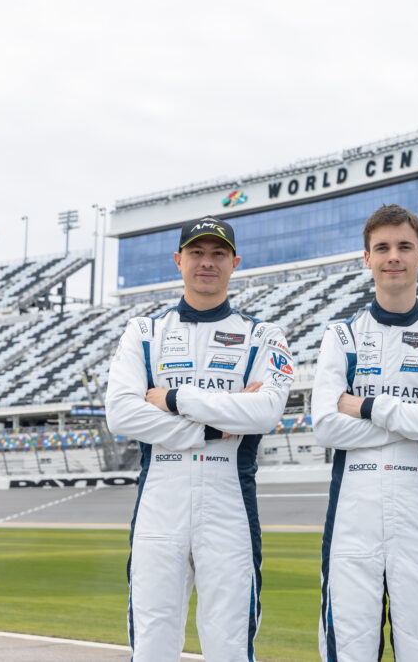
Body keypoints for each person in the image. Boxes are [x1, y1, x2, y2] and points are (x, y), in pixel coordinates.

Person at [106, 215, 294, 661]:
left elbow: (265, 411)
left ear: (235, 262)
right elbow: (120, 414)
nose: (206, 262)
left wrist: (172, 398)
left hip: (229, 500)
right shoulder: (144, 332)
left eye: (218, 254)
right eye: (196, 253)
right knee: (152, 640)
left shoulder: (263, 335)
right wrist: (215, 424)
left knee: (229, 642)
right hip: (159, 501)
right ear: (178, 260)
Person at [312, 204, 418, 661]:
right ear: (367, 258)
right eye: (382, 248)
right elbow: (324, 425)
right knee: (348, 650)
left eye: (404, 246)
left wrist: (366, 406)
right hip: (352, 515)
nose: (393, 257)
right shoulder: (340, 336)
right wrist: (413, 413)